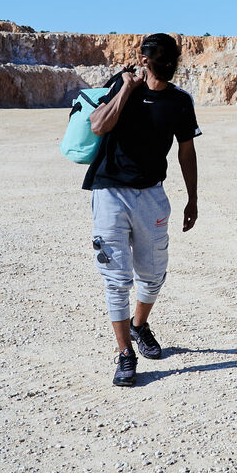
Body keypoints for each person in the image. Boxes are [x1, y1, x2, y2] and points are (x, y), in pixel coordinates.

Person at [84, 32, 200, 387]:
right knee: (117, 278)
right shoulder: (122, 87)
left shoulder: (180, 101)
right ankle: (125, 353)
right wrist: (126, 89)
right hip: (110, 192)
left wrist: (193, 198)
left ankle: (139, 325)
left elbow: (186, 150)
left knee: (153, 275)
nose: (169, 64)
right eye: (162, 58)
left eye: (173, 58)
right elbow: (99, 125)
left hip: (152, 194)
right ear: (145, 60)